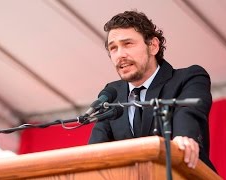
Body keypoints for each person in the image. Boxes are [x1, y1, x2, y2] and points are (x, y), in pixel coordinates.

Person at [88, 10, 216, 171]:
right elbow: (94, 150)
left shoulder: (189, 78)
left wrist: (183, 137)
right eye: (113, 48)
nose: (120, 54)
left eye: (128, 44)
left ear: (153, 46)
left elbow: (188, 113)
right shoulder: (112, 93)